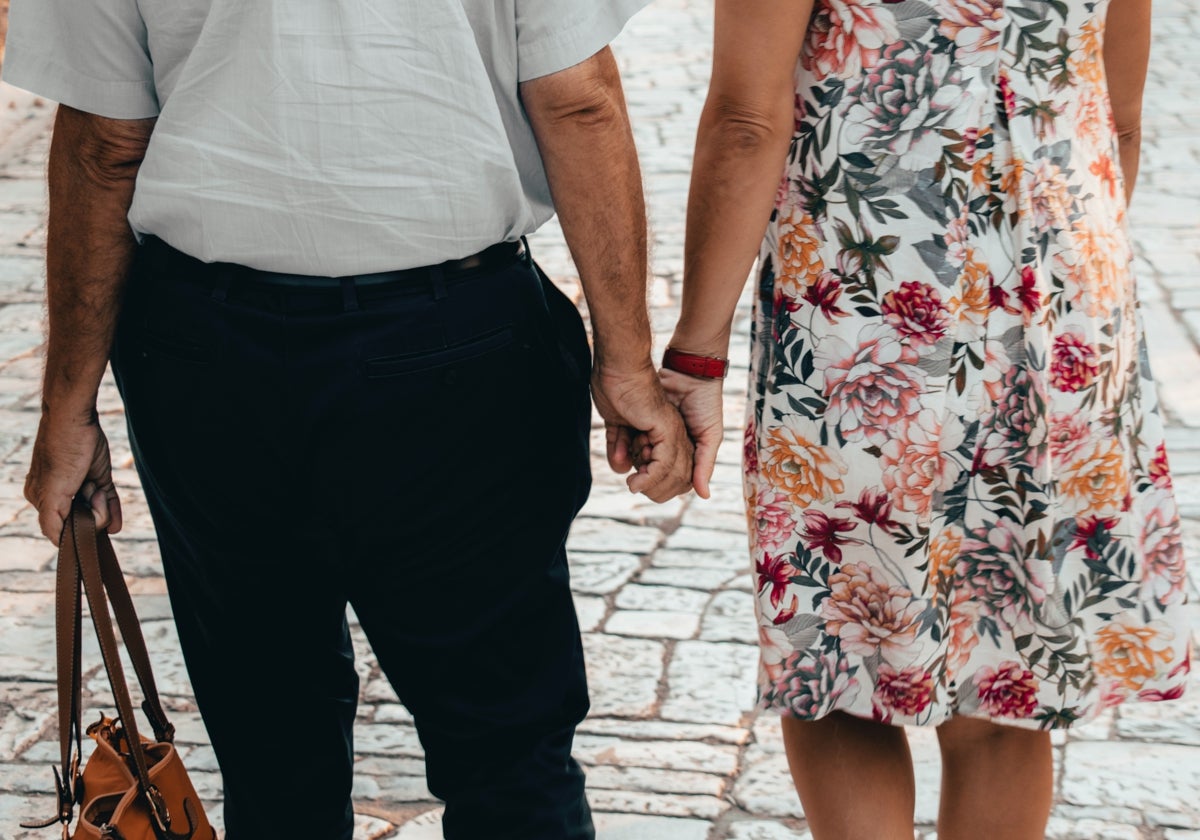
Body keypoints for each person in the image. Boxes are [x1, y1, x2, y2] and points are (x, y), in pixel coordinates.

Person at [7, 2, 696, 838]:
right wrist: (624, 361)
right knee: (508, 751)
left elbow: (106, 142)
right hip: (457, 341)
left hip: (214, 358)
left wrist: (68, 408)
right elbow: (577, 97)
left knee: (273, 744)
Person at [660, 0, 1190, 838]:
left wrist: (696, 354)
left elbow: (748, 121)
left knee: (842, 664)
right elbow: (1116, 118)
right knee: (1004, 679)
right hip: (1061, 316)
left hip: (873, 306)